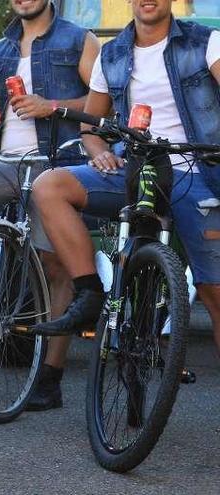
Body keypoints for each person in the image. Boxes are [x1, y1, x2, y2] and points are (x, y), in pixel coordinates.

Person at [30, 0, 220, 394]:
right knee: (49, 186)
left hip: (195, 170)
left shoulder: (206, 42)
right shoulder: (112, 53)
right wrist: (98, 150)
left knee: (214, 292)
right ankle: (90, 293)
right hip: (134, 167)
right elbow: (92, 124)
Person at [0, 0, 100, 411]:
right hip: (5, 163)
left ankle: (49, 377)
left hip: (57, 163)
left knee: (56, 267)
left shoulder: (78, 39)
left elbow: (108, 102)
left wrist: (53, 106)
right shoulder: (1, 47)